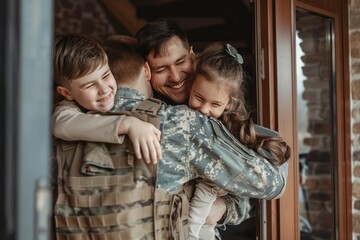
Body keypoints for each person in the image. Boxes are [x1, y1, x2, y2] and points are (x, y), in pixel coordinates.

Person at [52, 34, 288, 239]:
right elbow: (271, 183)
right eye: (161, 69)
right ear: (146, 71)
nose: (175, 78)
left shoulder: (61, 128)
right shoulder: (182, 125)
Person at [186, 42, 291, 239]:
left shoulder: (235, 132)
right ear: (191, 85)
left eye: (215, 104)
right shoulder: (180, 117)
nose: (204, 109)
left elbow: (270, 183)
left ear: (229, 104)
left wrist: (224, 207)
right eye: (198, 98)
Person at [52, 34, 162, 164]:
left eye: (105, 75)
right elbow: (60, 124)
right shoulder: (66, 108)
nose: (104, 89)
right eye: (90, 85)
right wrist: (128, 124)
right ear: (66, 93)